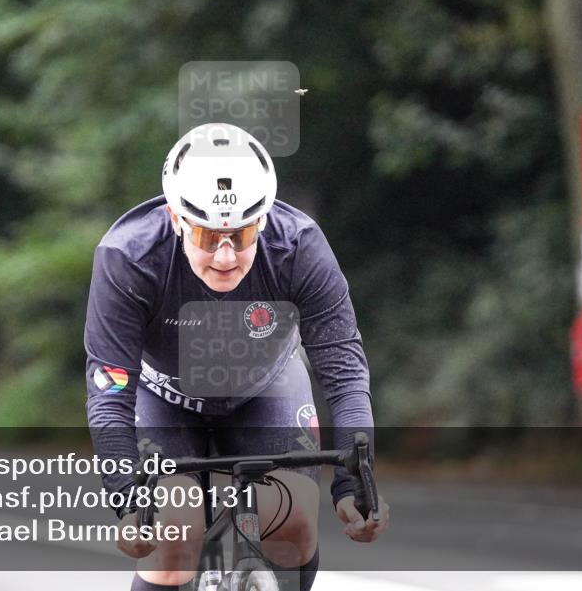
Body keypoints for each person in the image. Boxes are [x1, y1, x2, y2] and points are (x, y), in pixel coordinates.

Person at [85, 123, 388, 591]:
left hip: (265, 386)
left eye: (242, 233)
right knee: (174, 537)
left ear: (264, 219)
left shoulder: (299, 247)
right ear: (175, 218)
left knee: (295, 528)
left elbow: (345, 373)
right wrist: (128, 504)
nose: (226, 256)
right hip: (164, 394)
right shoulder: (128, 257)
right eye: (208, 237)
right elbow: (111, 393)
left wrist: (354, 487)